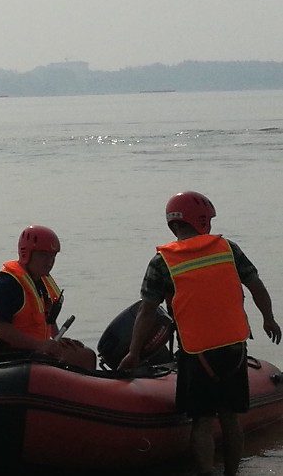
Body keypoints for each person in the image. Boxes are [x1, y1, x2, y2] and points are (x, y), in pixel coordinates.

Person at [117, 191, 281, 476]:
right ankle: (231, 473)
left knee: (201, 422)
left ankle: (205, 472)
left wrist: (133, 352)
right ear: (202, 219)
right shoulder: (228, 249)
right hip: (233, 350)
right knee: (230, 419)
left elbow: (146, 311)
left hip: (196, 353)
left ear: (173, 224)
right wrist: (269, 319)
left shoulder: (162, 262)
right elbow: (256, 286)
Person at [0, 225, 96, 370]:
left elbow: (48, 319)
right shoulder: (7, 283)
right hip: (5, 358)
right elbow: (2, 329)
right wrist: (40, 345)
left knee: (85, 356)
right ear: (26, 254)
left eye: (53, 256)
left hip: (34, 352)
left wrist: (58, 340)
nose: (49, 261)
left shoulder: (41, 281)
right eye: (43, 255)